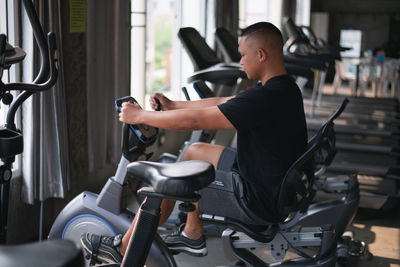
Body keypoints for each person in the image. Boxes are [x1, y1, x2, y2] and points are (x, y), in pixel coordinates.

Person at [80, 21, 308, 265]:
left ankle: (124, 249)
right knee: (193, 151)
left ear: (261, 55)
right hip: (269, 181)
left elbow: (196, 120)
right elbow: (223, 101)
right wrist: (172, 105)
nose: (240, 61)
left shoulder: (265, 97)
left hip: (258, 199)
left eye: (243, 55)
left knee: (167, 181)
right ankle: (192, 232)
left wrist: (140, 116)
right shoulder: (283, 88)